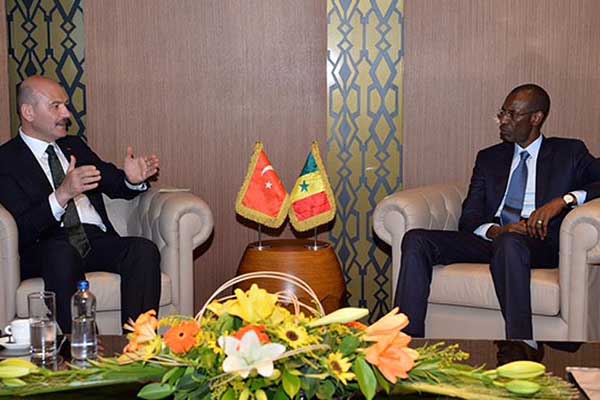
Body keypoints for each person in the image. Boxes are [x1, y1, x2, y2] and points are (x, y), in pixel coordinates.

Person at [395, 83, 600, 364]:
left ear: (536, 118)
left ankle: (521, 342)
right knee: (416, 239)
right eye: (502, 113)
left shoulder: (569, 152)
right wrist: (495, 230)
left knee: (511, 242)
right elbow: (470, 216)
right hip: (492, 237)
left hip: (539, 243)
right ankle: (405, 343)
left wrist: (564, 200)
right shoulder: (489, 158)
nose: (503, 120)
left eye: (512, 114)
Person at [0, 76, 161, 333]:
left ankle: (139, 344)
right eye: (56, 106)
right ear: (28, 112)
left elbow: (113, 181)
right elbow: (20, 228)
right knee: (61, 252)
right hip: (47, 246)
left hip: (94, 239)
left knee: (143, 250)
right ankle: (85, 347)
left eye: (65, 105)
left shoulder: (73, 145)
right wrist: (62, 194)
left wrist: (131, 180)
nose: (66, 113)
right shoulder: (6, 160)